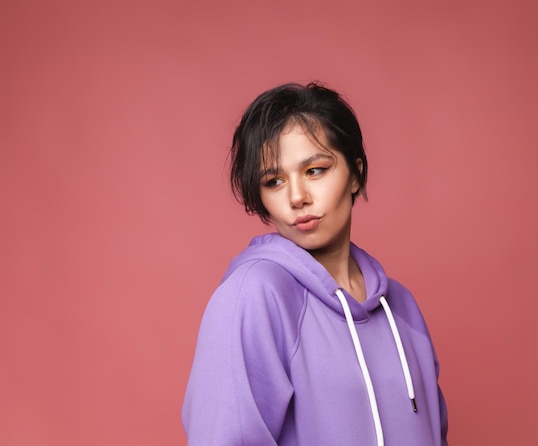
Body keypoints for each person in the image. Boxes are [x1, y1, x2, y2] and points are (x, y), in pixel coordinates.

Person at [182, 82, 449, 446]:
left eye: (315, 170)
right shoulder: (254, 297)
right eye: (274, 181)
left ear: (354, 174)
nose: (297, 197)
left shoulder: (401, 307)